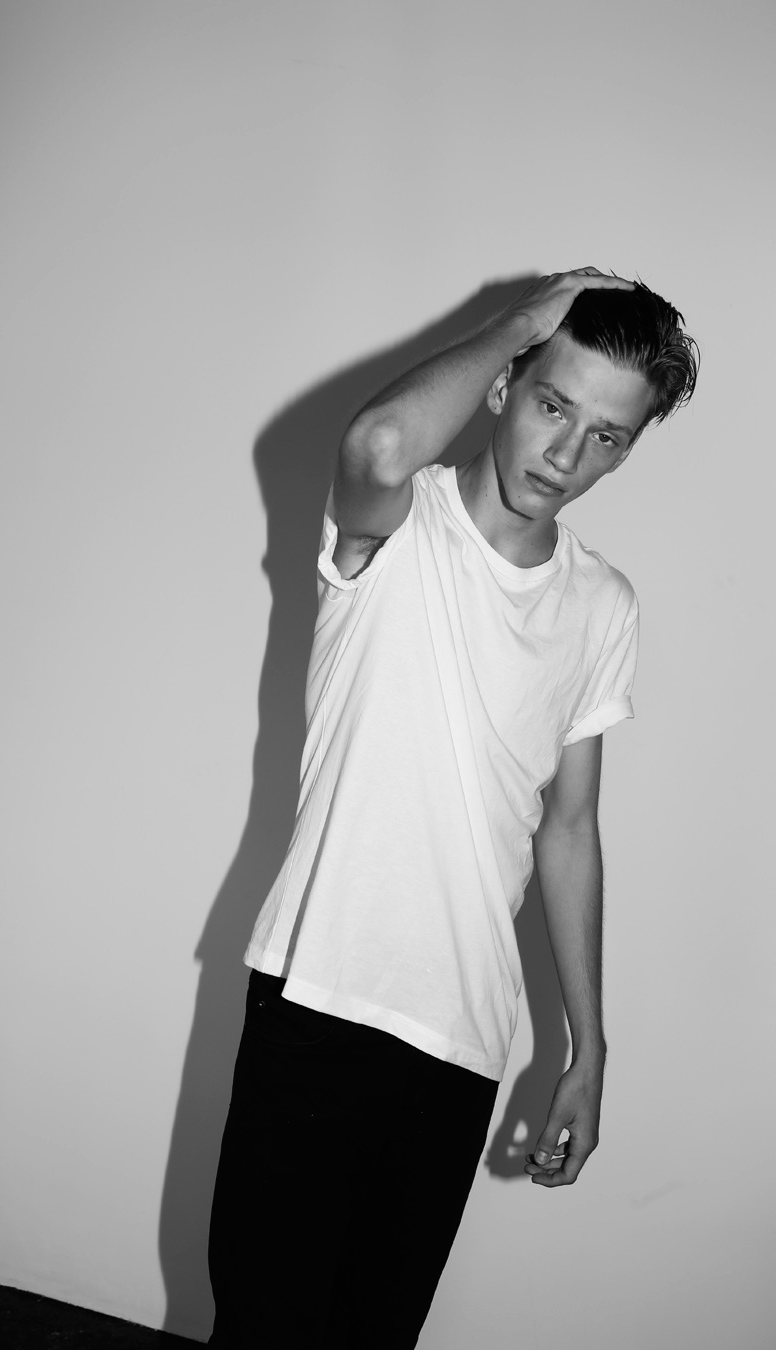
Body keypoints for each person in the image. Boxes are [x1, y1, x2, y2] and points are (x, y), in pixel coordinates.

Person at [206, 268, 698, 1349]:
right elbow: (380, 443)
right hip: (319, 998)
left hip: (462, 1039)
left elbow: (570, 829)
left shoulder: (602, 605)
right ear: (503, 385)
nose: (566, 454)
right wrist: (525, 318)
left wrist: (589, 1048)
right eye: (554, 404)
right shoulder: (401, 525)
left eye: (607, 437)